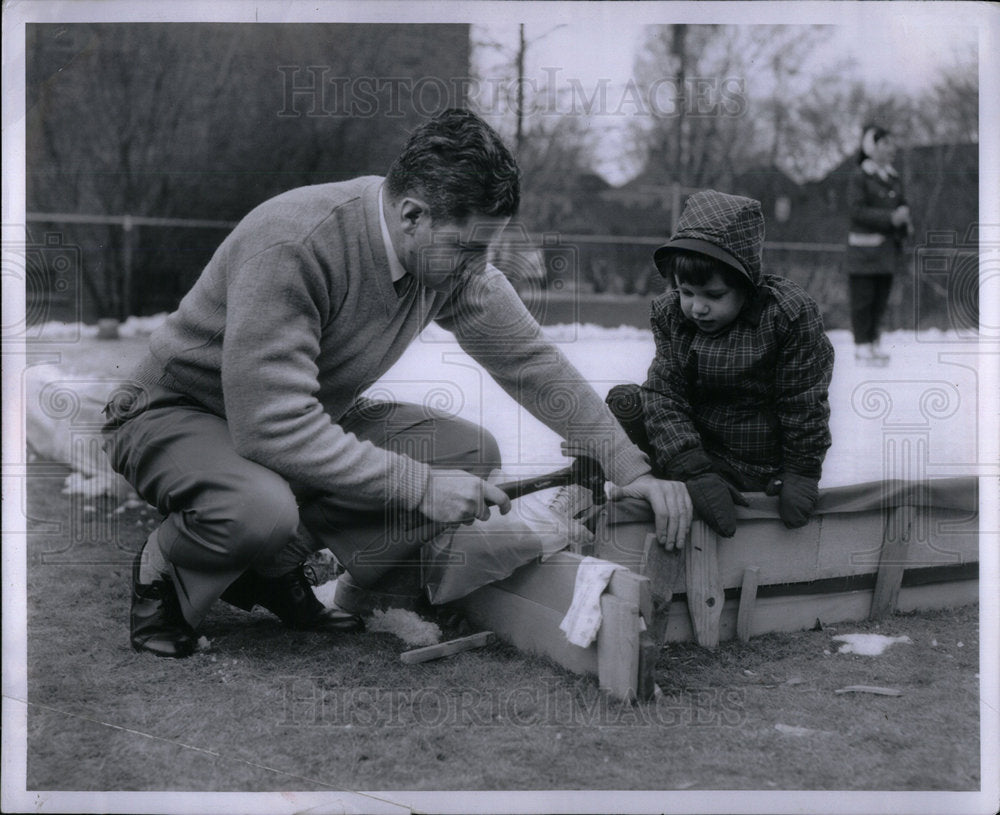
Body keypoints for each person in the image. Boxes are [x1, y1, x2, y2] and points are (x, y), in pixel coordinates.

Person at [102, 108, 692, 659]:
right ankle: (164, 575)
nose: (476, 266)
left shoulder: (447, 262)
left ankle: (272, 566)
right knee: (258, 505)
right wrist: (420, 487)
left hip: (289, 421)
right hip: (175, 412)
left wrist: (630, 468)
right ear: (412, 214)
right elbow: (269, 427)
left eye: (485, 249)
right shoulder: (294, 243)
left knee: (467, 452)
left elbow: (532, 364)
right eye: (468, 248)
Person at [606, 190, 834, 538]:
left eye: (713, 296)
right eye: (687, 292)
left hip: (753, 459)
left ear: (746, 285)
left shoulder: (787, 316)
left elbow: (803, 400)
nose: (697, 308)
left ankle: (698, 485)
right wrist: (692, 468)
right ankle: (602, 485)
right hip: (695, 450)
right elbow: (665, 394)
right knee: (625, 402)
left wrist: (802, 470)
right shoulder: (672, 316)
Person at [844, 124, 913, 365]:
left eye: (892, 144)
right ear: (871, 147)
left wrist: (904, 221)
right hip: (864, 251)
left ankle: (873, 343)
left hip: (887, 251)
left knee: (880, 299)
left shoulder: (893, 178)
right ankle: (862, 345)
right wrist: (890, 218)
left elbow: (901, 204)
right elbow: (856, 211)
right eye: (885, 144)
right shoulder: (860, 176)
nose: (891, 149)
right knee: (863, 299)